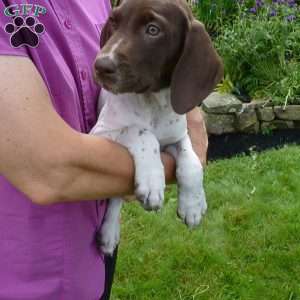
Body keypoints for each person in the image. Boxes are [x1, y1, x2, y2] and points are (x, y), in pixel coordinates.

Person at [0, 1, 208, 299]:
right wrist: (166, 166)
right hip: (22, 275)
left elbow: (156, 57)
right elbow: (46, 169)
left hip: (93, 254)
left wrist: (187, 95)